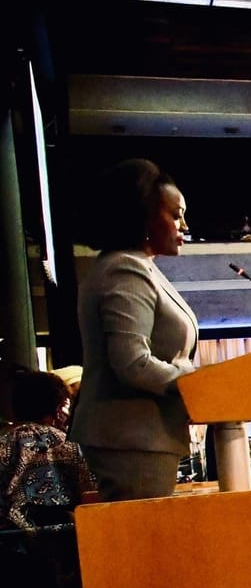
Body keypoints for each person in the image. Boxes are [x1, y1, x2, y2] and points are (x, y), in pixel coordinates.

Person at [70, 159, 198, 501]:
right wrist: (197, 383)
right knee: (146, 548)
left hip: (142, 436)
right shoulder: (125, 269)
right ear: (142, 215)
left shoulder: (139, 266)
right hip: (132, 437)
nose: (183, 224)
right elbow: (133, 363)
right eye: (175, 215)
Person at [1, 371, 95, 530]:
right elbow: (91, 495)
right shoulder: (69, 444)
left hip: (9, 543)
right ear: (59, 408)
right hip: (65, 539)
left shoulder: (4, 443)